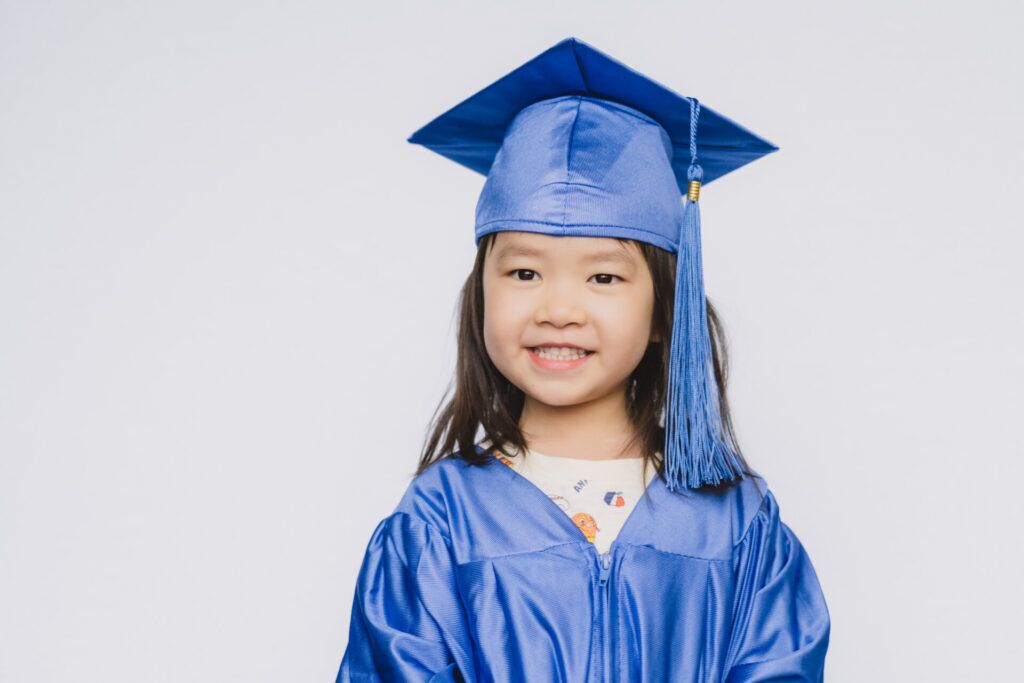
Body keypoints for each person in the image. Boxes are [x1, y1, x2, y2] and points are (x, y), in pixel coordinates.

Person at [335, 36, 830, 682]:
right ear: (479, 290)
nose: (558, 308)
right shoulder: (440, 519)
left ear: (664, 313)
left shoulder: (736, 523)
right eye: (523, 272)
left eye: (603, 278)